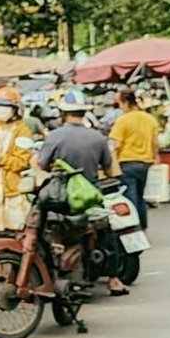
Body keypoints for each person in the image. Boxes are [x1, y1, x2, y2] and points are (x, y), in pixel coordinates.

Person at [34, 89, 127, 294]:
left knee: (39, 229)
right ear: (84, 112)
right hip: (90, 198)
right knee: (107, 233)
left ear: (63, 113)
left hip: (60, 199)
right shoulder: (98, 138)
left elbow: (40, 165)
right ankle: (114, 279)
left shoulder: (54, 136)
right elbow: (110, 169)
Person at [0, 86, 39, 231]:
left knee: (13, 227)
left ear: (15, 109)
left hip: (11, 188)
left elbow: (21, 162)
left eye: (6, 106)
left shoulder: (22, 130)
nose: (1, 109)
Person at [107, 86, 161, 226]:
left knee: (130, 198)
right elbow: (155, 143)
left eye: (120, 104)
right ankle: (142, 226)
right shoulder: (150, 119)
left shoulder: (123, 120)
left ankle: (133, 227)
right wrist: (154, 157)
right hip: (145, 163)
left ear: (125, 102)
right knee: (140, 196)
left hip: (127, 163)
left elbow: (116, 146)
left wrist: (111, 164)